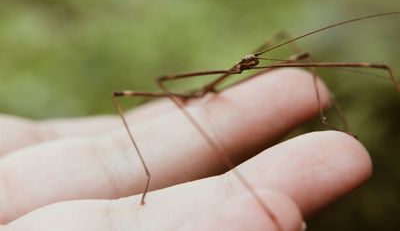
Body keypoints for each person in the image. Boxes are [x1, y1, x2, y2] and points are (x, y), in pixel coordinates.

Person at [0, 69, 371, 231]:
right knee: (127, 95)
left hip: (211, 93)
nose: (249, 66)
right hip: (195, 95)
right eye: (247, 67)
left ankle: (326, 121)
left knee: (296, 65)